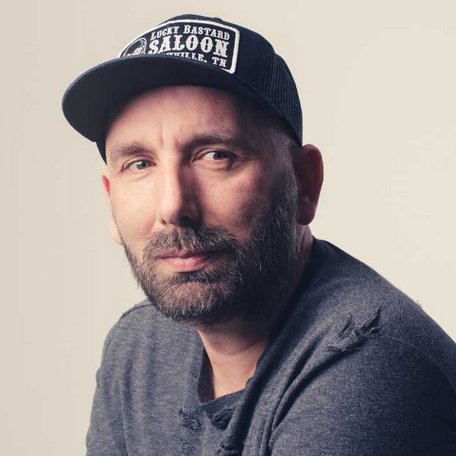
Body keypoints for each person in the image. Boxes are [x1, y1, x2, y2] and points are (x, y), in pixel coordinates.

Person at [62, 13, 456, 456]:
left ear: (304, 184)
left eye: (216, 156)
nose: (172, 206)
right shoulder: (139, 348)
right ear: (110, 199)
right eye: (139, 164)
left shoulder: (367, 358)